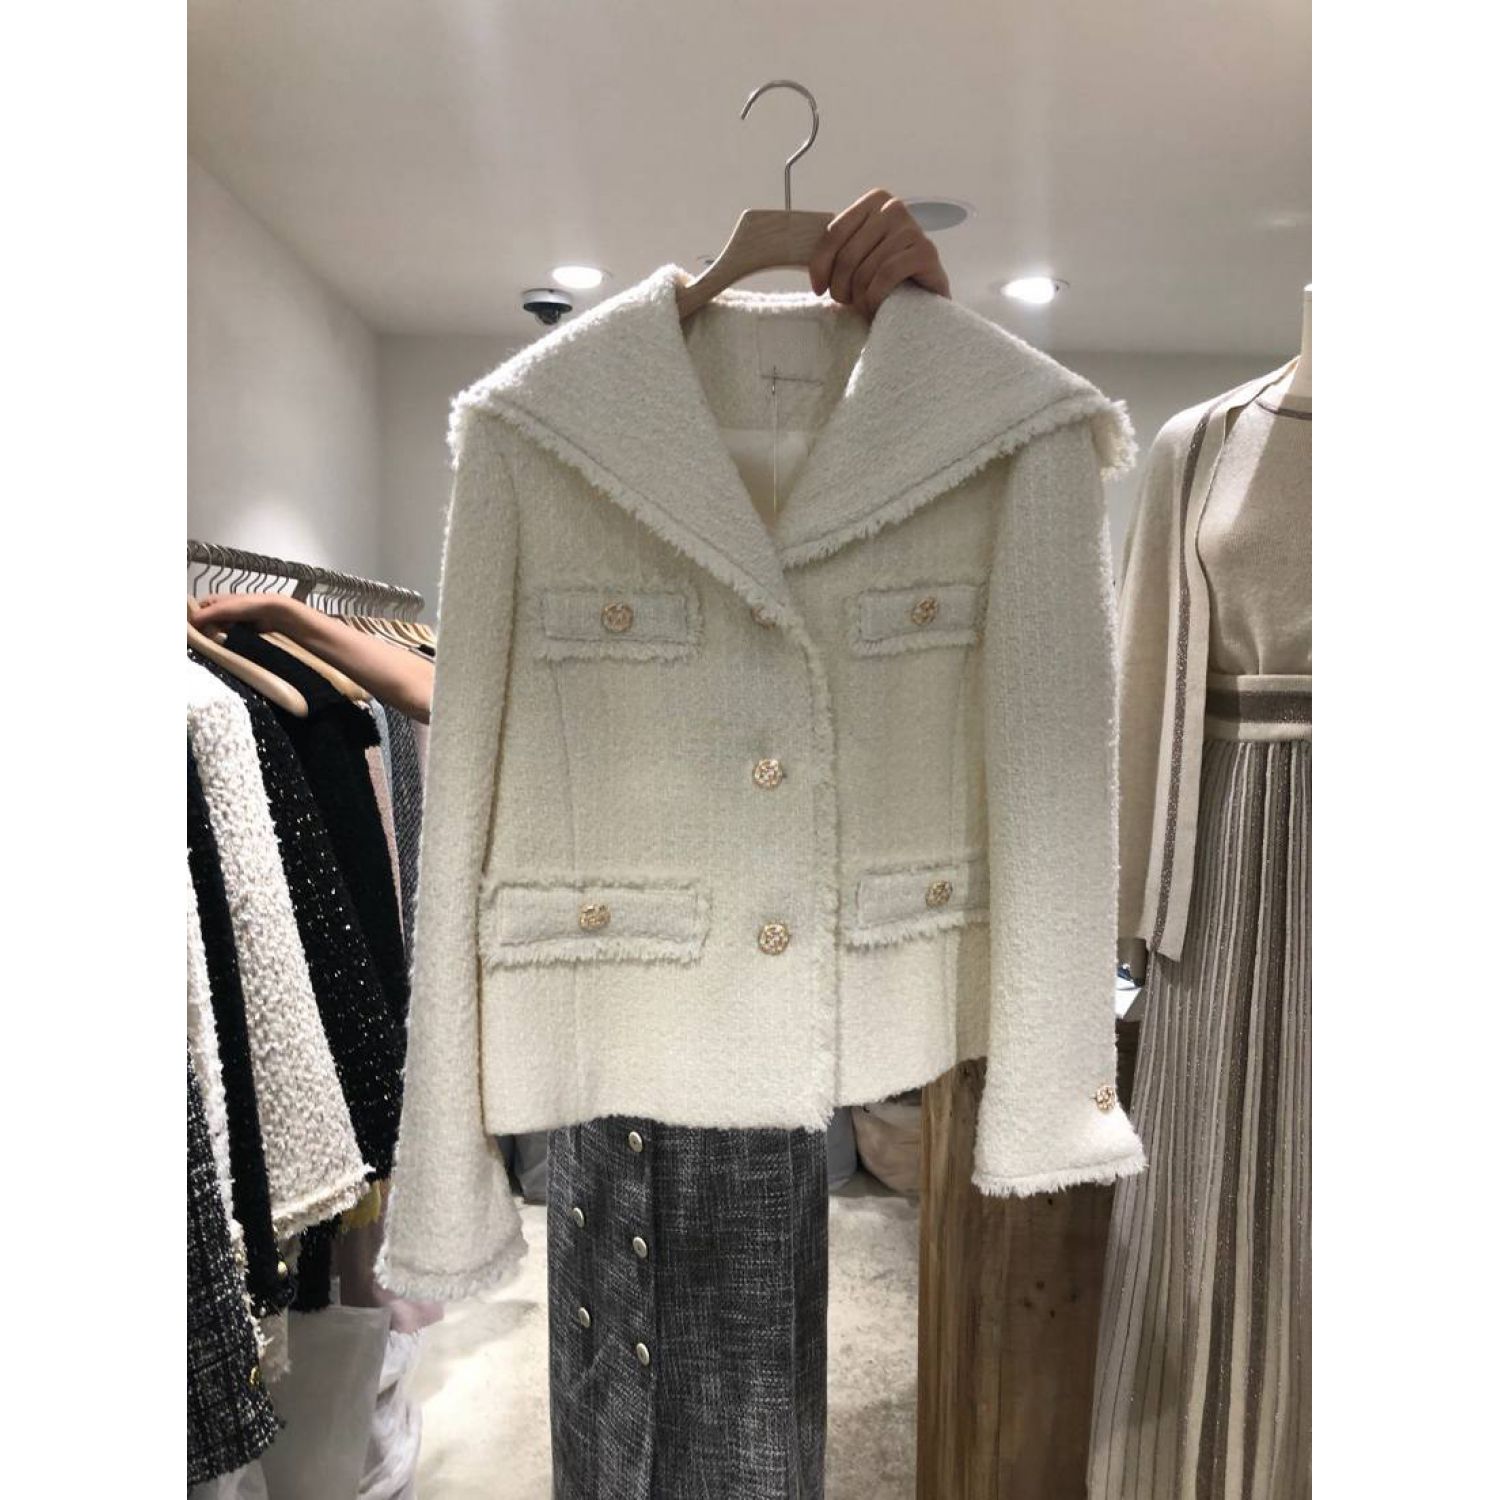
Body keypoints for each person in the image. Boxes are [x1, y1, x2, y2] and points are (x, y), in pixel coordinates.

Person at [191, 188, 951, 705]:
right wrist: (298, 620)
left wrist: (938, 353)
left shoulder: (930, 470)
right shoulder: (562, 460)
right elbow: (464, 701)